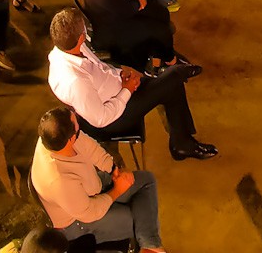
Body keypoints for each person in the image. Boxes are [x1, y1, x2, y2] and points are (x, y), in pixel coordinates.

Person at [45, 9, 213, 161]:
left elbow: (100, 68)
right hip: (114, 117)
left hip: (119, 90)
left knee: (171, 85)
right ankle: (181, 73)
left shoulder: (71, 48)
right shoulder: (75, 81)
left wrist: (119, 74)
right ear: (81, 36)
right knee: (173, 76)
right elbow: (101, 119)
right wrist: (127, 90)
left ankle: (181, 144)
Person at [31, 106, 166, 253]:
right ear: (71, 139)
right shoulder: (58, 181)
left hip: (91, 187)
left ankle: (150, 246)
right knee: (139, 220)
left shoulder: (53, 137)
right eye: (77, 128)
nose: (80, 127)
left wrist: (113, 169)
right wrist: (117, 190)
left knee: (146, 181)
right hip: (77, 220)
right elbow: (89, 212)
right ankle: (150, 246)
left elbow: (89, 146)